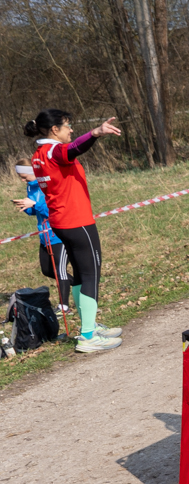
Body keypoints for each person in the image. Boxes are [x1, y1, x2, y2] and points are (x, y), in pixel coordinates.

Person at [24, 109, 123, 352]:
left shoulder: (38, 154)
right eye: (68, 126)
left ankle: (89, 326)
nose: (71, 130)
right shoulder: (54, 151)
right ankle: (88, 336)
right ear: (54, 129)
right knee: (91, 276)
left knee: (80, 274)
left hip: (60, 221)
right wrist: (95, 133)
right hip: (76, 221)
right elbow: (73, 149)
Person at [12, 162, 74, 312]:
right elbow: (37, 210)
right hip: (44, 235)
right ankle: (80, 283)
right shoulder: (30, 187)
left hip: (58, 234)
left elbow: (54, 209)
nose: (22, 180)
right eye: (21, 177)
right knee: (47, 270)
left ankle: (64, 307)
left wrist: (34, 204)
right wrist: (26, 207)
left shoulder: (47, 185)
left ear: (33, 172)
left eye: (24, 177)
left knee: (60, 271)